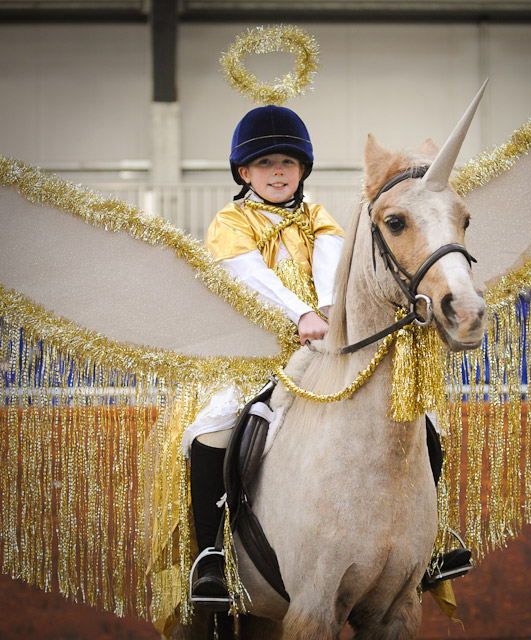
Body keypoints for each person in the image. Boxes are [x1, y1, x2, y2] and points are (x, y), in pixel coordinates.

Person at [184, 105, 345, 600]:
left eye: (289, 163)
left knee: (412, 413)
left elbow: (331, 267)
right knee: (214, 430)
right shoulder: (230, 221)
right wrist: (302, 314)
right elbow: (251, 276)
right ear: (244, 172)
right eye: (267, 163)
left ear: (302, 171)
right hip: (252, 355)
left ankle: (427, 539)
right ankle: (210, 553)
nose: (279, 172)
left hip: (319, 349)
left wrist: (324, 310)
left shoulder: (320, 218)